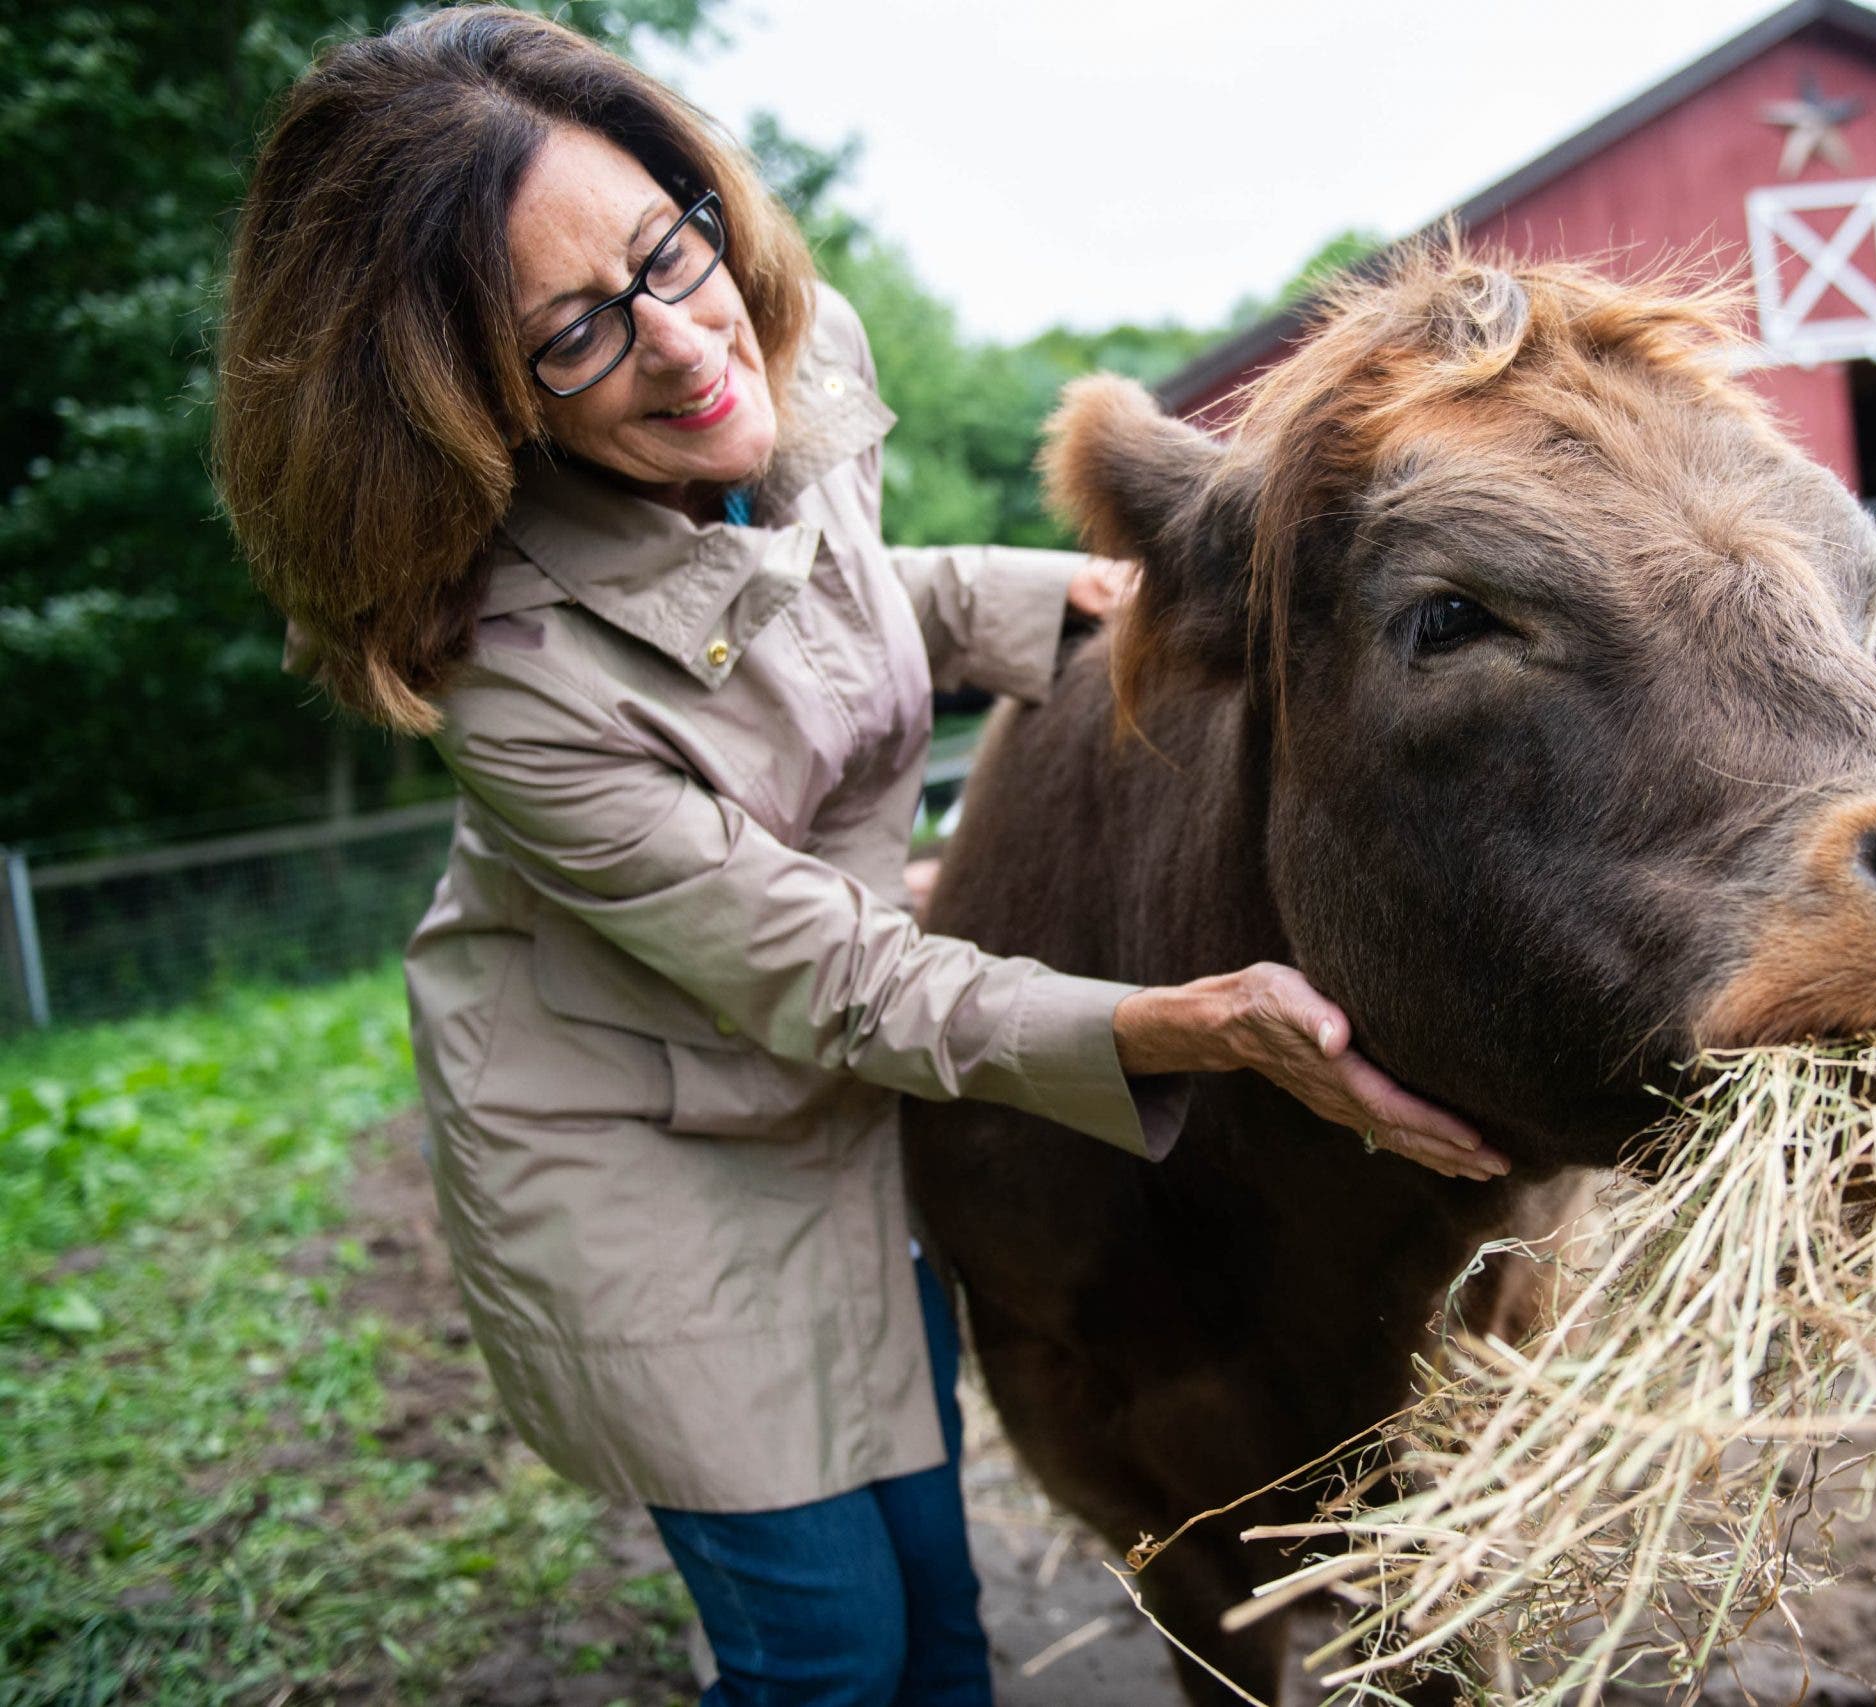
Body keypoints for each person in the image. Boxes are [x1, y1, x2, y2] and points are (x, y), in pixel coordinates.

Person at [211, 11, 1506, 1704]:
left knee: (939, 1620)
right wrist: (1183, 1025)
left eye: (668, 251)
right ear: (467, 410)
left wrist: (1067, 598)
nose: (682, 345)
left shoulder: (779, 378)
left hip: (824, 1116)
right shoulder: (514, 683)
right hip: (647, 1161)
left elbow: (828, 593)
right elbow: (844, 977)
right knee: (827, 1652)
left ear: (697, 197)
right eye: (573, 339)